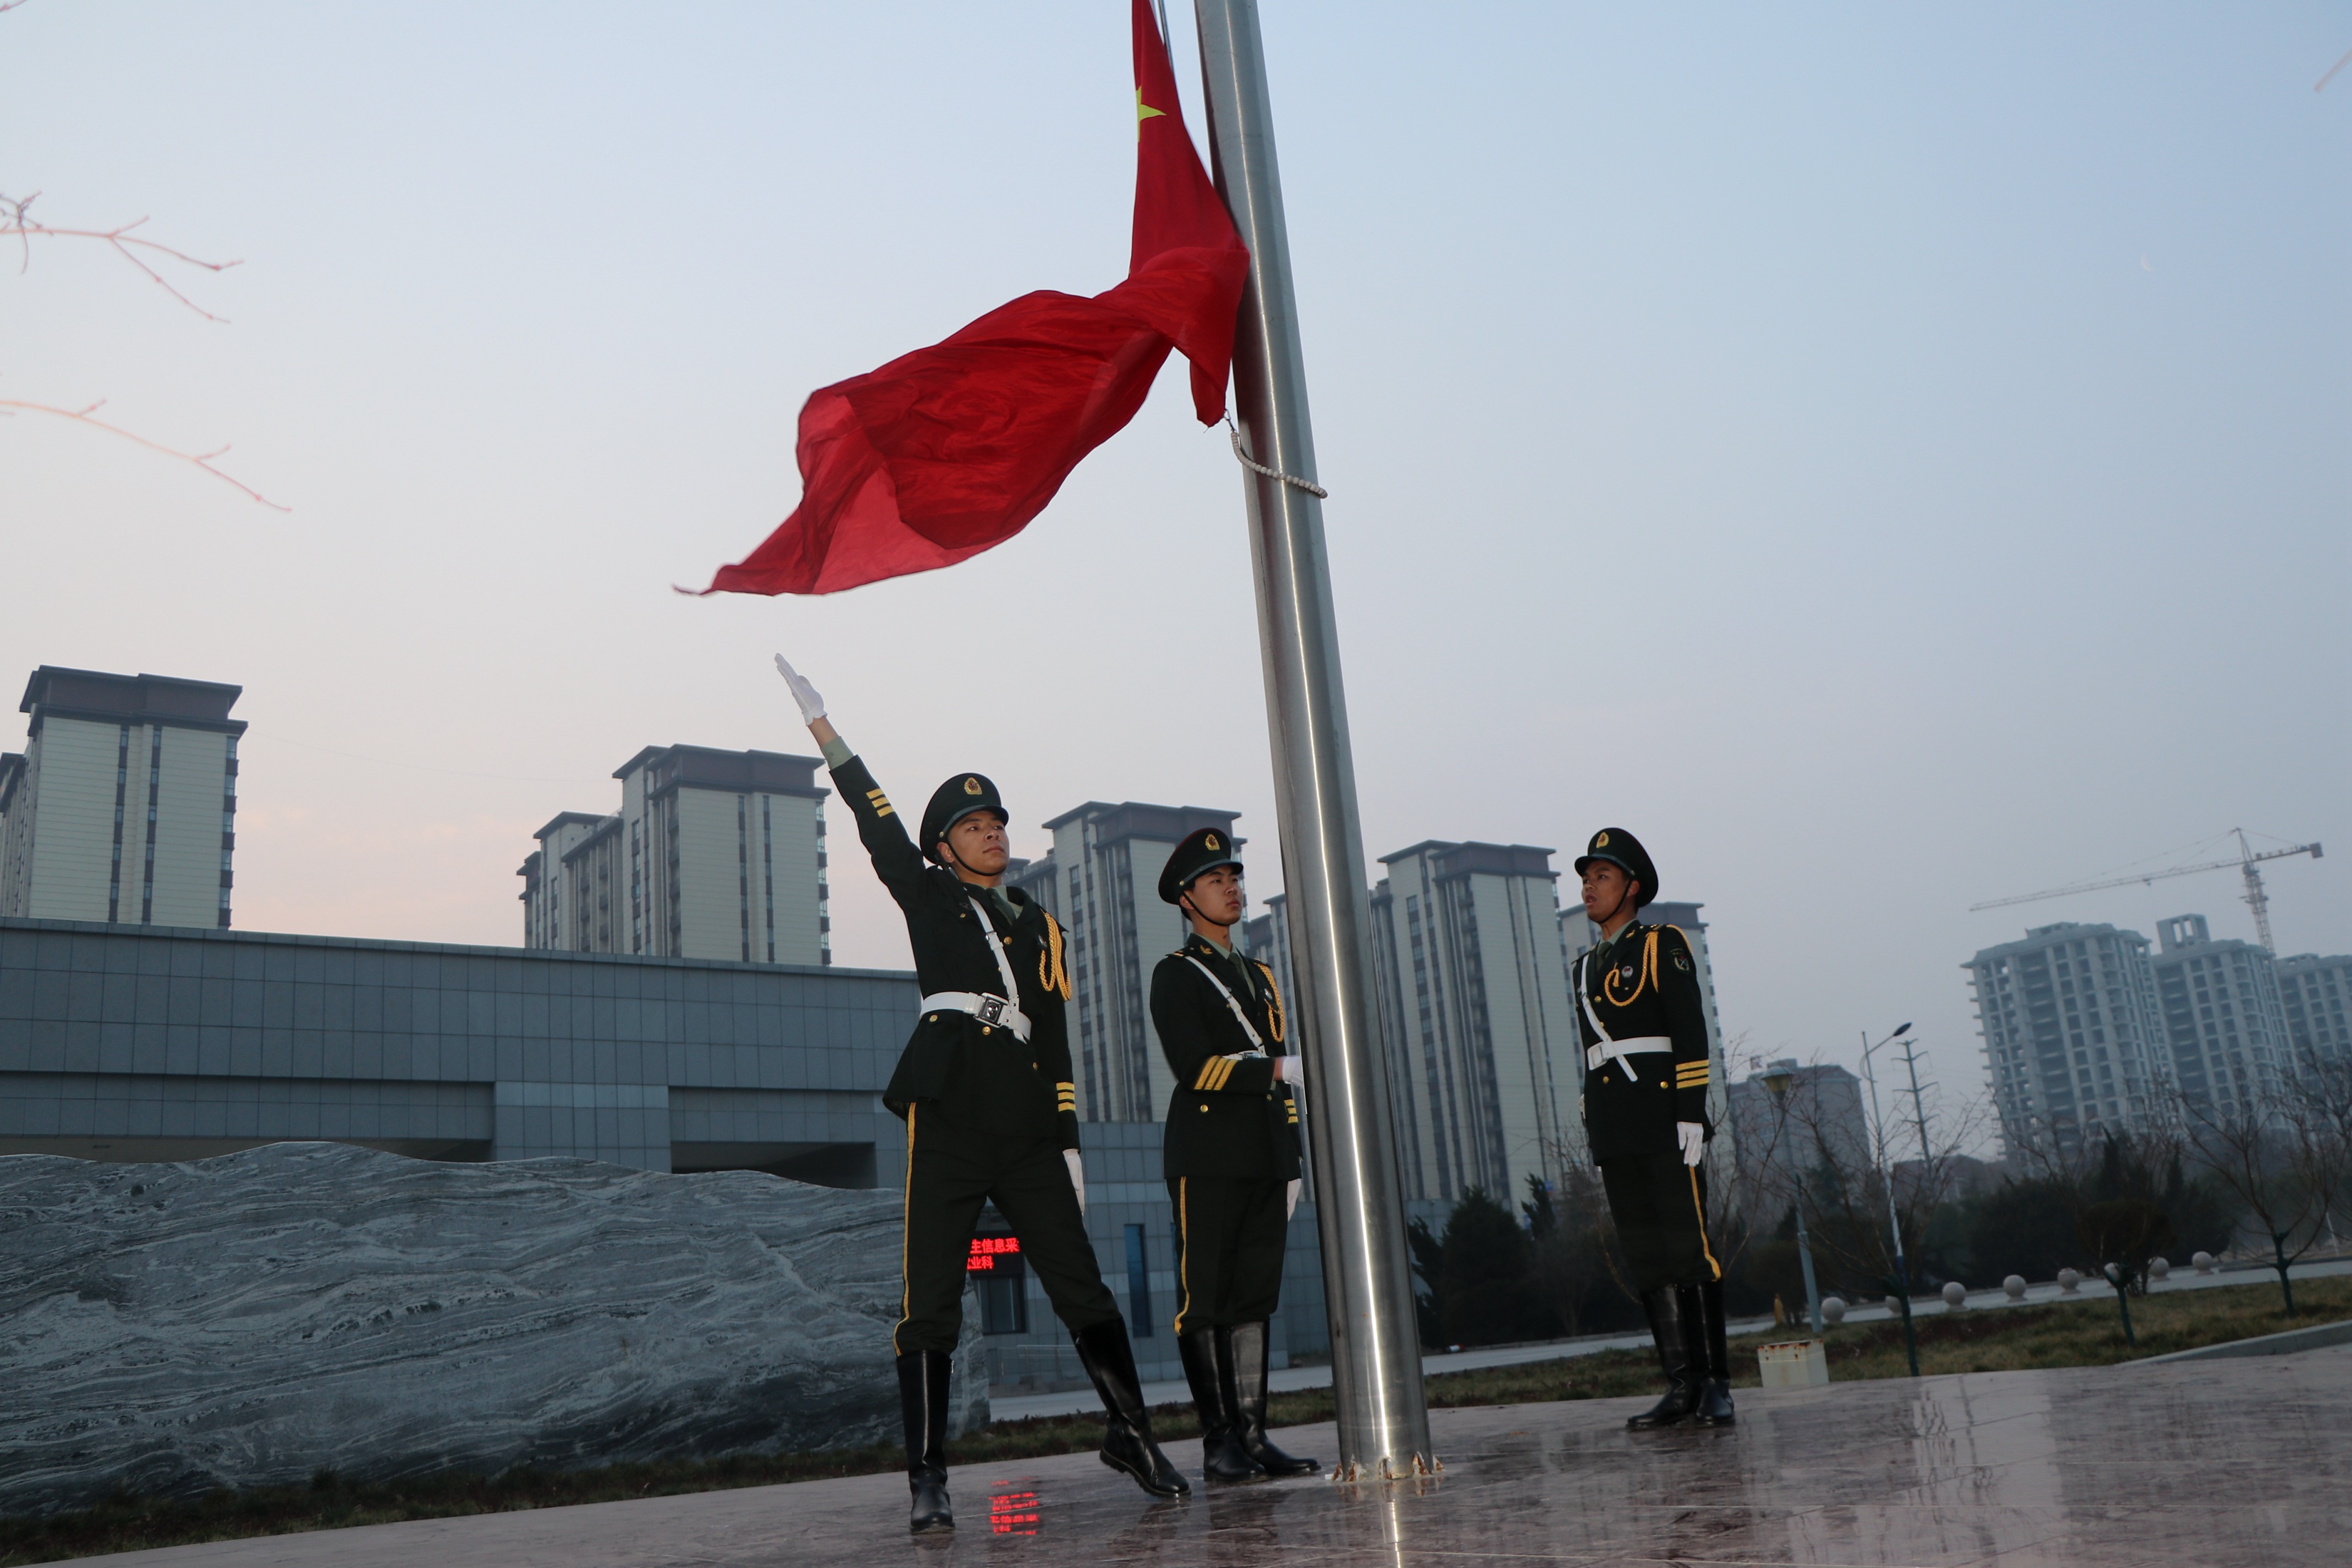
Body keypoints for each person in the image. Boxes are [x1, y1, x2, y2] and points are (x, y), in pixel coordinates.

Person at [774, 655, 1188, 1532]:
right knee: (930, 1296)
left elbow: (1062, 1031)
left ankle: (1132, 1431)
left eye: (996, 819)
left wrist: (1071, 1138)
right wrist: (827, 732)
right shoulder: (928, 896)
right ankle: (927, 1476)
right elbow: (877, 824)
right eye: (972, 824)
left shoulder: (1042, 924)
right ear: (944, 847)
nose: (992, 831)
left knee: (1083, 1286)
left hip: (1031, 1124)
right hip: (953, 1112)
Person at [1148, 828, 1319, 1483]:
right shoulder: (1177, 974)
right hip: (1209, 1151)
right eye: (1217, 880)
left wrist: (1294, 1159)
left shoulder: (1261, 976)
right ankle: (1218, 1441)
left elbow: (1285, 1079)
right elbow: (1196, 1068)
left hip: (1265, 1151)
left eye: (1235, 877)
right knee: (1208, 1298)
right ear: (1187, 899)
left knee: (1254, 1298)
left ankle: (1253, 1435)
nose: (1232, 888)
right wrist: (1274, 1068)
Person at [1570, 827, 1731, 1429]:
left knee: (1689, 1251)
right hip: (1618, 1128)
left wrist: (1691, 1109)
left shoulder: (1663, 944)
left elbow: (1689, 1029)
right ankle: (1681, 1385)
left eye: (1602, 877)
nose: (1589, 886)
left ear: (1632, 888)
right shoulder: (1585, 967)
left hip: (1666, 1118)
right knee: (1646, 1257)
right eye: (1586, 877)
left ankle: (1715, 1382)